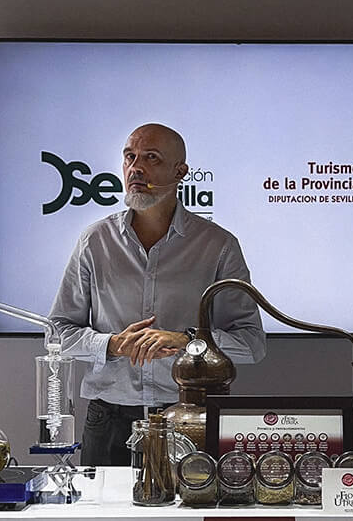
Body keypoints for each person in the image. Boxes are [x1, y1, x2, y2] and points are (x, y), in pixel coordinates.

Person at [49, 122, 266, 466]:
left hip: (190, 419)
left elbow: (252, 344)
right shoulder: (94, 241)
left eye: (151, 158)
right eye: (130, 157)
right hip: (108, 420)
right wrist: (112, 345)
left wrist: (187, 342)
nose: (136, 168)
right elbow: (57, 332)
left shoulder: (218, 246)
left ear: (180, 172)